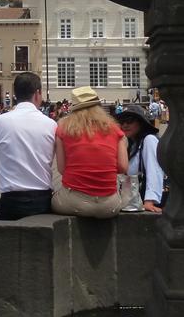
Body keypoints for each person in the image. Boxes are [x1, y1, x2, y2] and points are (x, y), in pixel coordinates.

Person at [0, 72, 56, 221]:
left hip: (10, 201)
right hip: (42, 200)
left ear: (15, 94)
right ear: (38, 93)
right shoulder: (51, 125)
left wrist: (11, 172)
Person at [50, 87, 129, 219]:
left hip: (73, 201)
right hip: (110, 204)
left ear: (73, 108)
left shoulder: (63, 128)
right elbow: (123, 167)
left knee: (53, 199)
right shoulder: (115, 130)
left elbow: (62, 169)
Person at [115, 104, 165, 213]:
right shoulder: (130, 144)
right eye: (122, 121)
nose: (125, 125)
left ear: (141, 122)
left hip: (143, 203)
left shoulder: (149, 140)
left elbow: (155, 170)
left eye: (130, 121)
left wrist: (150, 201)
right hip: (133, 204)